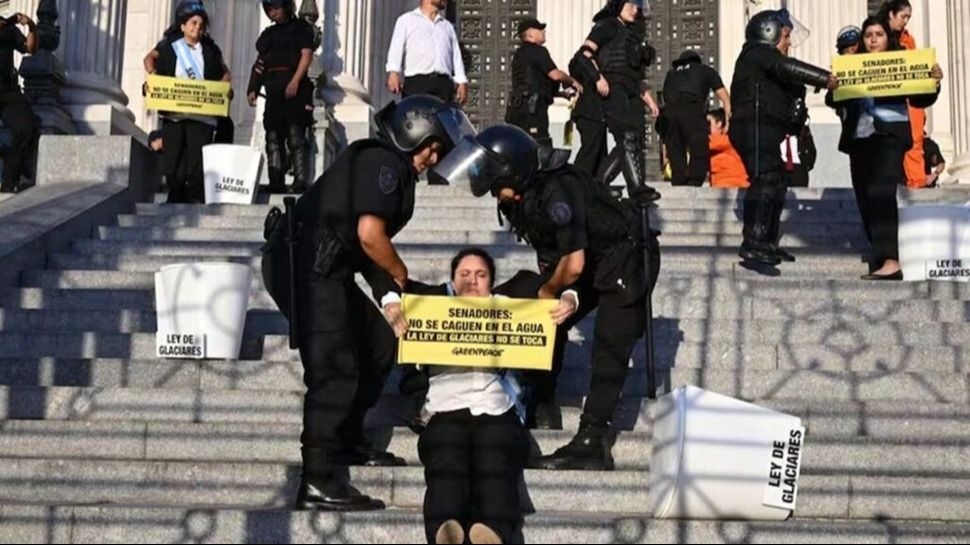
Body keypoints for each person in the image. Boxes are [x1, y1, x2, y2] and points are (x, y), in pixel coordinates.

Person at [261, 94, 474, 511]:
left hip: (330, 269)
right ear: (413, 132)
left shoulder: (389, 168)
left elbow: (366, 249)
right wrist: (399, 274)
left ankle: (347, 440)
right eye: (432, 146)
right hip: (305, 268)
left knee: (379, 343)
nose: (434, 157)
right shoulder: (384, 163)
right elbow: (371, 237)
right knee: (335, 369)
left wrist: (390, 298)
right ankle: (318, 480)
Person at [431, 124, 661, 470]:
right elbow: (558, 258)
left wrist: (551, 291)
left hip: (626, 258)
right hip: (588, 261)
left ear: (512, 170)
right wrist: (561, 294)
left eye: (496, 183)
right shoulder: (522, 193)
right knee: (532, 307)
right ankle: (541, 398)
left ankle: (591, 441)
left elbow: (574, 262)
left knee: (609, 346)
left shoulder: (558, 191)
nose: (495, 192)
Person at [404, 249, 579, 545]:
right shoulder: (431, 308)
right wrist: (394, 307)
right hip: (445, 411)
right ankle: (444, 531)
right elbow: (391, 284)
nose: (472, 282)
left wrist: (570, 298)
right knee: (447, 462)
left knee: (495, 460)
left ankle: (492, 531)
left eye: (481, 275)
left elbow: (560, 279)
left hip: (498, 411)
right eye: (465, 274)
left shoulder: (509, 306)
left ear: (492, 283)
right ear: (452, 281)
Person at [826, 16, 943, 280]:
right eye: (868, 35)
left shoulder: (900, 60)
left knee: (881, 193)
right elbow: (834, 101)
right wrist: (832, 87)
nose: (873, 39)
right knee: (865, 197)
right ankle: (882, 254)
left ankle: (891, 260)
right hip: (860, 141)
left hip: (889, 137)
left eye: (878, 34)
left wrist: (935, 81)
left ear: (886, 38)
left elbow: (922, 96)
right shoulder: (851, 65)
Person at [728, 8, 837, 267]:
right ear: (769, 32)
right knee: (766, 178)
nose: (788, 43)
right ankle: (753, 241)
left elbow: (789, 90)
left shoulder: (767, 64)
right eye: (785, 36)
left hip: (766, 128)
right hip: (753, 126)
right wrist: (824, 78)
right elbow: (787, 67)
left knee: (776, 180)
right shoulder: (757, 54)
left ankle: (767, 241)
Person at [570, 0, 660, 200]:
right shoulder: (607, 25)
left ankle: (599, 183)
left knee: (632, 140)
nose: (635, 9)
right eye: (630, 3)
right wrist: (597, 77)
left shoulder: (631, 34)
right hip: (612, 89)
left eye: (637, 5)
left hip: (629, 91)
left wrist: (649, 100)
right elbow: (583, 55)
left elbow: (635, 76)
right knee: (626, 136)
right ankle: (636, 187)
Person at [143, 1, 231, 204]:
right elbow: (149, 61)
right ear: (183, 25)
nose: (197, 28)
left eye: (200, 25)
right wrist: (154, 80)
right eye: (193, 23)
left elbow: (225, 73)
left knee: (196, 160)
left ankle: (194, 195)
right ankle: (175, 194)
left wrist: (221, 90)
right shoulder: (169, 48)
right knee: (173, 158)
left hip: (202, 116)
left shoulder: (210, 50)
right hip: (174, 115)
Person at [247, 0, 317, 194]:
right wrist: (253, 87)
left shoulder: (301, 29)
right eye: (269, 9)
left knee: (296, 137)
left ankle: (300, 181)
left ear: (286, 7)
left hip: (296, 89)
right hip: (274, 90)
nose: (272, 12)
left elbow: (306, 55)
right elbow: (260, 64)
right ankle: (275, 181)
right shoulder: (268, 36)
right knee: (273, 137)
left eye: (276, 7)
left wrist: (295, 81)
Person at [506, 18, 582, 148]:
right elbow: (555, 75)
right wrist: (573, 82)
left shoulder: (520, 54)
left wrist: (561, 94)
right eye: (539, 29)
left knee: (520, 146)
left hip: (517, 108)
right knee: (540, 146)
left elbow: (533, 83)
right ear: (530, 34)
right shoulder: (537, 51)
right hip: (532, 111)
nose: (543, 31)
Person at [877, 0, 927, 189]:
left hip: (908, 100)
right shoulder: (877, 35)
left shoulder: (908, 40)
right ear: (891, 14)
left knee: (915, 142)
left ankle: (917, 183)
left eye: (908, 17)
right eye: (902, 16)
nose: (905, 21)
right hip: (884, 102)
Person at [661, 50, 730, 186]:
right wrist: (728, 118)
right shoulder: (705, 70)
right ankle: (695, 180)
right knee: (698, 145)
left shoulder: (671, 73)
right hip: (692, 108)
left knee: (675, 147)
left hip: (671, 111)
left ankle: (679, 179)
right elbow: (723, 95)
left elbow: (665, 96)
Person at [386, 0, 468, 105]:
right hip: (417, 84)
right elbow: (396, 47)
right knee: (417, 119)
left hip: (443, 85)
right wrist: (393, 72)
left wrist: (461, 81)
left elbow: (456, 56)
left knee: (443, 120)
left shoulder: (447, 27)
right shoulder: (406, 20)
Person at [0, 11, 38, 194]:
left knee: (27, 127)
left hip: (8, 91)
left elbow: (30, 48)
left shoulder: (7, 28)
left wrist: (31, 26)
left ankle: (9, 182)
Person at [707, 109, 748, 189]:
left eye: (708, 123)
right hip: (721, 185)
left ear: (719, 124)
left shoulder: (726, 140)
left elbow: (703, 143)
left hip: (734, 185)